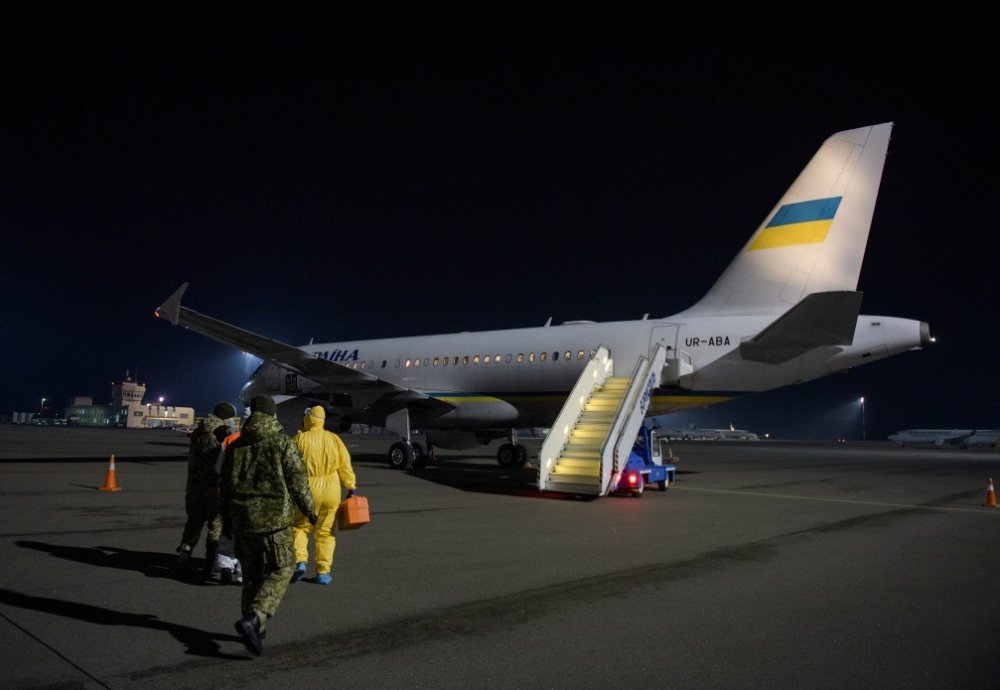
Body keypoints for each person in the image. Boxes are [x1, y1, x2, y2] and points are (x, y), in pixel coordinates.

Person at [220, 395, 316, 656]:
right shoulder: (282, 443)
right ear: (272, 415)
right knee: (283, 568)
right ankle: (256, 617)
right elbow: (298, 481)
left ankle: (255, 628)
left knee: (251, 576)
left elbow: (225, 486)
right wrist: (310, 510)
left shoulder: (236, 446)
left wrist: (225, 520)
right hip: (274, 523)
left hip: (243, 522)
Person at [291, 405, 358, 586]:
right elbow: (345, 464)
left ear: (308, 419)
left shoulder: (299, 439)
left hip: (307, 490)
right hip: (331, 490)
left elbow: (289, 467)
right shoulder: (334, 439)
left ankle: (299, 561)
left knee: (299, 527)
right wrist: (351, 487)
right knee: (326, 533)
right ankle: (323, 572)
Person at [176, 401, 236, 579]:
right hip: (212, 487)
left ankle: (184, 554)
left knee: (193, 523)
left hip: (194, 486)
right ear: (225, 417)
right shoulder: (221, 433)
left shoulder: (198, 431)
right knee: (215, 526)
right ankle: (210, 564)